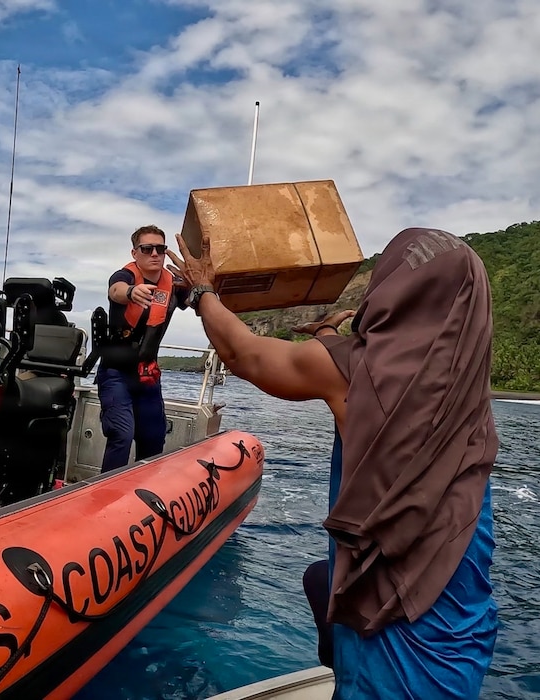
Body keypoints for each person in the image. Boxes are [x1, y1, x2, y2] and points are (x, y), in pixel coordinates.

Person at [170, 227, 498, 699]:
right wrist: (327, 332)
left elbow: (244, 353)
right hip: (458, 608)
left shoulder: (354, 371)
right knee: (319, 580)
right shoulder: (469, 391)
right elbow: (358, 365)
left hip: (395, 623)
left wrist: (202, 290)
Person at [96, 225, 189, 472]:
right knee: (121, 436)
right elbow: (115, 292)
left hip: (147, 374)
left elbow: (194, 300)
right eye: (147, 249)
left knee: (153, 439)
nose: (154, 254)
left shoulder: (173, 284)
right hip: (116, 374)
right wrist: (131, 291)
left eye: (160, 248)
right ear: (135, 253)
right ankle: (105, 496)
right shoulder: (124, 277)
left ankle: (145, 492)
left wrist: (198, 284)